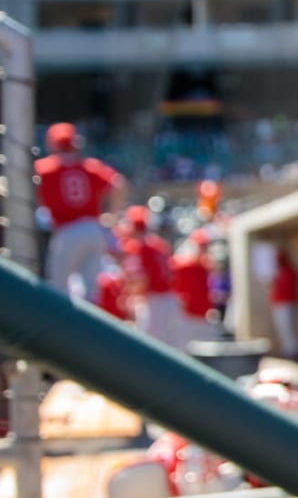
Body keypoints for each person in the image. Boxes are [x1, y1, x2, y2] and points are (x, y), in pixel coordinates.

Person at [33, 121, 125, 300]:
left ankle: (61, 327)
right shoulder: (90, 166)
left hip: (67, 230)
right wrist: (112, 217)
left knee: (59, 288)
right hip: (93, 228)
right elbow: (118, 184)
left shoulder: (45, 167)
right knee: (92, 290)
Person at [120, 206, 179, 348]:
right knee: (169, 346)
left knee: (152, 346)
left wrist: (130, 297)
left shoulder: (138, 246)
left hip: (154, 301)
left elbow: (141, 279)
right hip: (169, 298)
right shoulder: (158, 243)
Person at [169, 232, 215, 351]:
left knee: (203, 351)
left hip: (202, 314)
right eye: (201, 246)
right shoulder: (181, 265)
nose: (203, 249)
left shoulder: (205, 266)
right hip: (186, 315)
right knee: (183, 349)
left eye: (205, 246)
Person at [269, 246, 298, 359]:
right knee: (281, 328)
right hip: (279, 304)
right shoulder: (278, 272)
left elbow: (291, 288)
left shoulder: (290, 271)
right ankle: (286, 350)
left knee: (287, 328)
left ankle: (291, 351)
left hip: (287, 304)